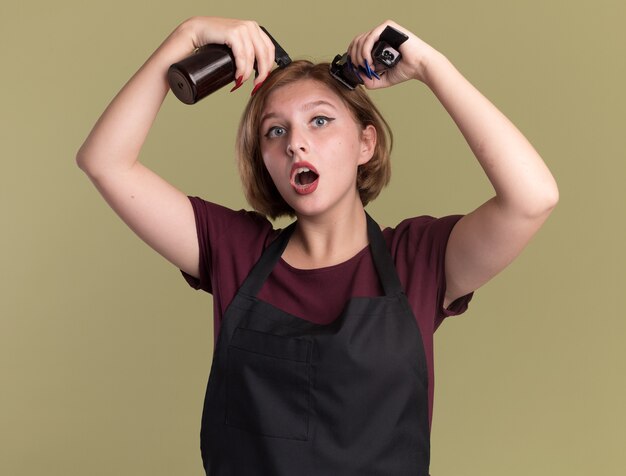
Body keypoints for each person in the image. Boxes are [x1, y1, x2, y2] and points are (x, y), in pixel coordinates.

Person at [76, 16, 558, 476]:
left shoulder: (419, 259)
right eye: (275, 131)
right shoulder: (234, 251)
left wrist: (430, 67)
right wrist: (189, 34)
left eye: (320, 121)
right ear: (264, 159)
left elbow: (532, 199)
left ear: (365, 143)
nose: (295, 145)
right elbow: (105, 161)